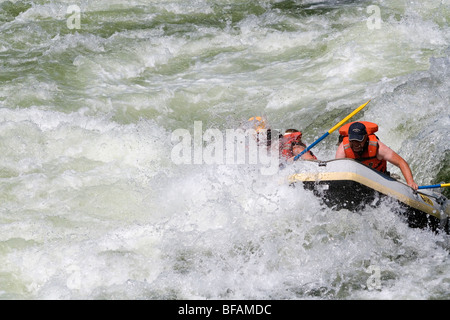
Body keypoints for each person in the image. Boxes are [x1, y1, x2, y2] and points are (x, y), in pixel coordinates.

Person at [336, 121, 418, 190]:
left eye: (358, 141)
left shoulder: (379, 148)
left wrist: (410, 182)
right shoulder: (343, 148)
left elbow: (401, 162)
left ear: (365, 137)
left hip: (380, 180)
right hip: (357, 182)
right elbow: (337, 172)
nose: (355, 144)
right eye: (352, 140)